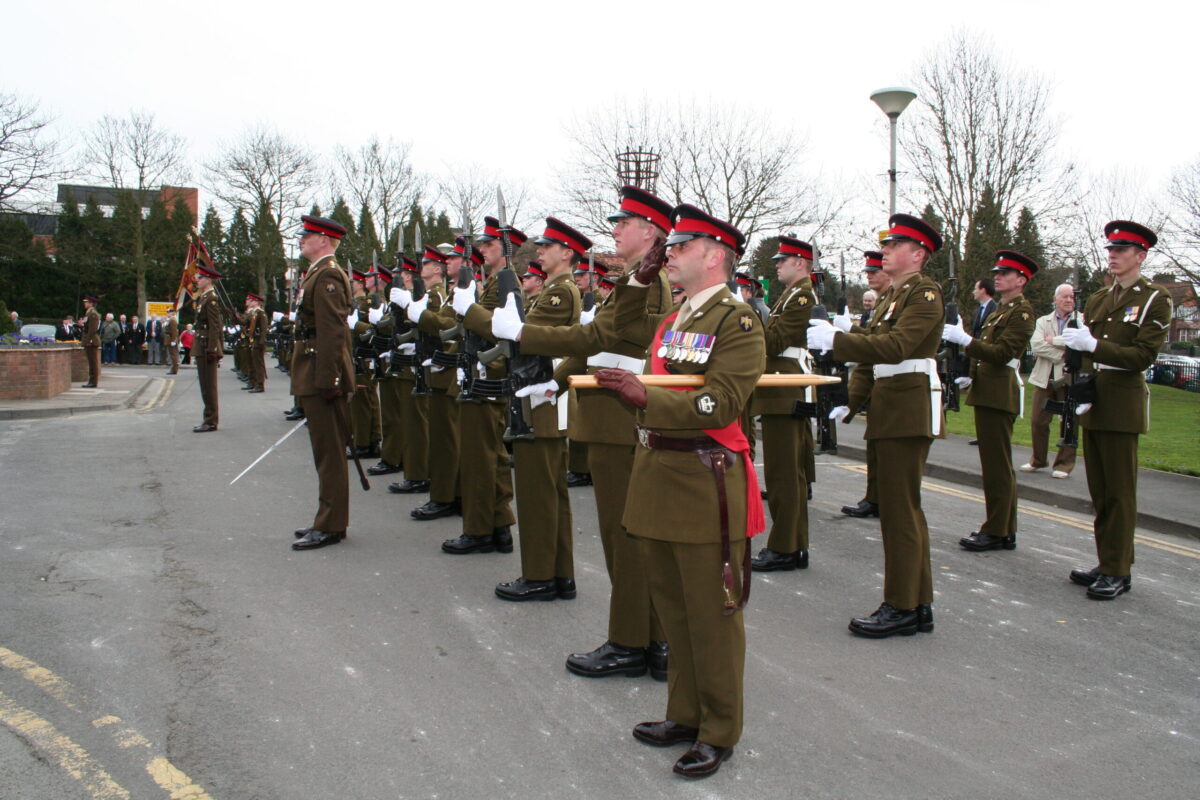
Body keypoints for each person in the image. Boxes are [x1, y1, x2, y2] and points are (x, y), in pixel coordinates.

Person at [598, 203, 764, 779]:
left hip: (703, 482)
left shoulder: (736, 321)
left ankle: (718, 730)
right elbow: (619, 327)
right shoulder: (676, 315)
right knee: (673, 610)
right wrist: (634, 280)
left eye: (680, 246)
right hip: (660, 477)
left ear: (714, 255)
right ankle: (685, 714)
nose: (668, 253)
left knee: (712, 616)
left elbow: (722, 401)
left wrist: (648, 397)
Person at [492, 185, 674, 680]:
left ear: (649, 232)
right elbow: (601, 343)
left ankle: (633, 641)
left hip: (620, 418)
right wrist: (556, 382)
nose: (615, 231)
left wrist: (522, 333)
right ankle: (654, 640)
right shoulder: (638, 277)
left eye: (624, 223)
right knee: (627, 536)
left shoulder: (647, 280)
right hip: (610, 415)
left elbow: (599, 337)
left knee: (625, 537)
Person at [810, 213, 944, 639]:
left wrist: (837, 340)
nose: (885, 251)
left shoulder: (923, 293)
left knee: (900, 511)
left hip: (907, 408)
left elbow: (897, 346)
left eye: (894, 245)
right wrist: (849, 401)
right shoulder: (893, 296)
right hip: (892, 407)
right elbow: (872, 356)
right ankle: (916, 603)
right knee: (901, 510)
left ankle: (903, 606)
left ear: (918, 254)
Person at [1063, 221, 1172, 600]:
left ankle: (1117, 570)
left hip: (1123, 403)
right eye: (1110, 249)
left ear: (1140, 256)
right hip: (1095, 399)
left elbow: (1142, 356)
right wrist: (1079, 372)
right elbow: (1084, 350)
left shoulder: (1155, 298)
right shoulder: (1098, 298)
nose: (1112, 255)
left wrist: (1092, 345)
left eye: (1121, 250)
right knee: (1100, 491)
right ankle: (1107, 559)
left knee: (1120, 493)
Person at [490, 218, 586, 601]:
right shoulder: (553, 290)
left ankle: (540, 575)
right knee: (550, 493)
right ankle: (559, 575)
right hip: (542, 399)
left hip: (542, 402)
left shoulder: (560, 293)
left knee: (537, 495)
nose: (540, 251)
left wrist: (482, 317)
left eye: (548, 246)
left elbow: (524, 339)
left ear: (567, 253)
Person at [429, 216, 524, 556]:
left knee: (479, 458)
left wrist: (468, 309)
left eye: (489, 244)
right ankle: (498, 525)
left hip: (488, 378)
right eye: (481, 244)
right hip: (481, 375)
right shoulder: (493, 283)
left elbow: (503, 330)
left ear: (507, 248)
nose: (483, 249)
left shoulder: (505, 284)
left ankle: (479, 529)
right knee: (488, 456)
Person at [944, 250, 1038, 552]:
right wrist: (969, 373)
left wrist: (965, 340)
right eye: (997, 273)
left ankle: (997, 530)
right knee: (995, 465)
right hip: (987, 390)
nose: (997, 277)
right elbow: (986, 351)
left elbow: (1002, 353)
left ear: (1021, 280)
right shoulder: (1001, 311)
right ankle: (1003, 529)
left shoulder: (1021, 313)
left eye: (1005, 273)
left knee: (998, 467)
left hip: (999, 393)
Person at [749, 235, 818, 572]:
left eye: (782, 261)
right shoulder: (791, 295)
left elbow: (775, 341)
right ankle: (793, 545)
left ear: (800, 263)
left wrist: (744, 326)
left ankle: (786, 547)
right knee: (786, 474)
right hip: (781, 389)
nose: (776, 266)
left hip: (786, 390)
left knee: (784, 475)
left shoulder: (802, 296)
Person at [290, 215, 355, 551]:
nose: (302, 239)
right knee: (323, 451)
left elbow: (332, 331)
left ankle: (331, 524)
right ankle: (327, 518)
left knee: (329, 453)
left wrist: (329, 379)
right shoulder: (317, 272)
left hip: (322, 371)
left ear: (324, 240)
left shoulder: (328, 274)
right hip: (314, 368)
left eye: (308, 235)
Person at [403, 243, 465, 511]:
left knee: (447, 438)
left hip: (449, 370)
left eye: (453, 258)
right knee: (442, 437)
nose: (448, 261)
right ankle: (445, 493)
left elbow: (449, 328)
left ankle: (447, 496)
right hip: (440, 369)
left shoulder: (445, 293)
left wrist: (418, 313)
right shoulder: (451, 293)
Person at [840, 250, 889, 518]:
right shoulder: (882, 304)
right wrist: (849, 403)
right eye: (867, 272)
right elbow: (867, 360)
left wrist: (846, 334)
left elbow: (881, 346)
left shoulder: (894, 301)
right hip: (880, 385)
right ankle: (874, 497)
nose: (869, 275)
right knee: (874, 447)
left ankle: (882, 499)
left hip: (899, 388)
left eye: (874, 271)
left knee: (890, 457)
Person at [1023, 283, 1077, 478]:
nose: (1069, 300)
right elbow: (1036, 345)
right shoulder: (1043, 321)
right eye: (1064, 296)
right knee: (1038, 420)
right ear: (1055, 299)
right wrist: (1062, 353)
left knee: (1068, 422)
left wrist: (1053, 340)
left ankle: (1064, 465)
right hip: (1044, 377)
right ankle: (1038, 460)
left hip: (1069, 379)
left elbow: (1077, 343)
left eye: (1072, 297)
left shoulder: (1080, 320)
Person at [191, 267, 223, 432]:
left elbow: (215, 326)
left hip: (206, 346)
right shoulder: (204, 297)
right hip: (201, 343)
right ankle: (208, 418)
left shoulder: (211, 299)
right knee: (204, 384)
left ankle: (211, 420)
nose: (198, 280)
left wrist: (212, 349)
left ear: (209, 279)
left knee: (209, 386)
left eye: (201, 278)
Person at [243, 294, 268, 392]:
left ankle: (260, 385)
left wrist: (262, 342)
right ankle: (253, 382)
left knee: (258, 364)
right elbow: (244, 322)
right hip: (253, 340)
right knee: (252, 363)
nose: (250, 302)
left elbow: (264, 329)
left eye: (252, 300)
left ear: (257, 302)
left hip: (258, 341)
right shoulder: (253, 313)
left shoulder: (261, 313)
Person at [80, 296, 101, 387]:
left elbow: (92, 329)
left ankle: (93, 382)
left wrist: (88, 340)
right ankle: (91, 381)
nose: (85, 304)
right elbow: (86, 327)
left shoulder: (92, 314)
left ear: (91, 303)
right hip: (90, 340)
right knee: (91, 362)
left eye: (86, 302)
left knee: (93, 362)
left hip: (91, 341)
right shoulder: (89, 313)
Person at [165, 308, 180, 374]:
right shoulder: (170, 320)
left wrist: (173, 340)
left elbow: (174, 331)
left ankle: (174, 369)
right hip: (170, 339)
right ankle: (173, 369)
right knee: (172, 355)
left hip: (171, 339)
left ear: (172, 313)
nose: (167, 314)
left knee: (174, 355)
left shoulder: (172, 320)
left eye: (168, 313)